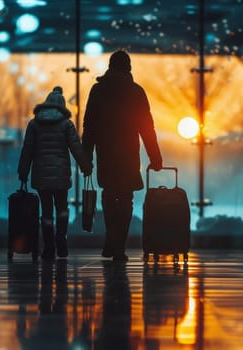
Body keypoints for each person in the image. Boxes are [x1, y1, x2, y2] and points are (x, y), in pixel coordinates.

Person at [82, 50, 163, 262]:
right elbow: (147, 127)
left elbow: (89, 126)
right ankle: (119, 247)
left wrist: (86, 156)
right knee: (126, 197)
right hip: (128, 152)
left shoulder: (98, 90)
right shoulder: (136, 92)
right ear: (128, 67)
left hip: (106, 152)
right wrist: (155, 157)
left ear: (110, 66)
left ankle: (111, 237)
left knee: (109, 194)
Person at [18, 86, 93, 261]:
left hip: (41, 175)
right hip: (61, 176)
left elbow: (27, 150)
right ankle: (61, 239)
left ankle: (49, 247)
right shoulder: (66, 124)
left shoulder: (34, 124)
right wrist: (85, 166)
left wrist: (23, 171)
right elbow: (76, 148)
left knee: (46, 212)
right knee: (62, 209)